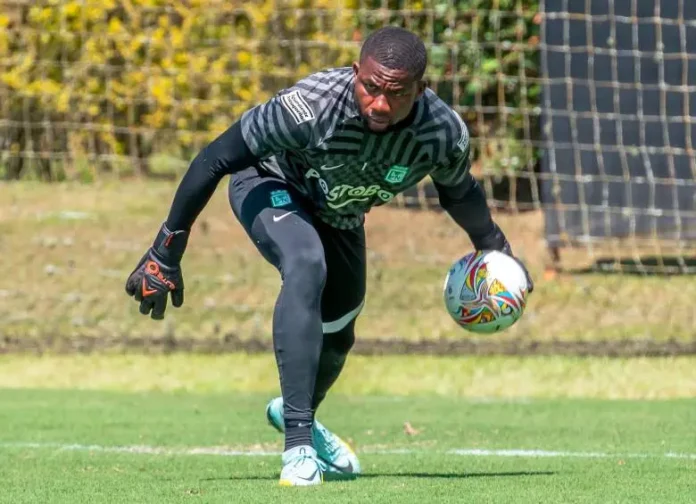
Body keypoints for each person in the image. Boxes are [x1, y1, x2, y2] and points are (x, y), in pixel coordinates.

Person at [125, 26, 533, 486]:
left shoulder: (440, 133)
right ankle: (298, 450)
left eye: (395, 95)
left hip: (339, 213)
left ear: (420, 89)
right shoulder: (309, 107)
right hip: (269, 182)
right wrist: (167, 249)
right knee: (306, 264)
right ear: (357, 72)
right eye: (371, 88)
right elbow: (215, 158)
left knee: (340, 330)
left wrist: (496, 248)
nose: (379, 104)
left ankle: (298, 411)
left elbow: (460, 193)